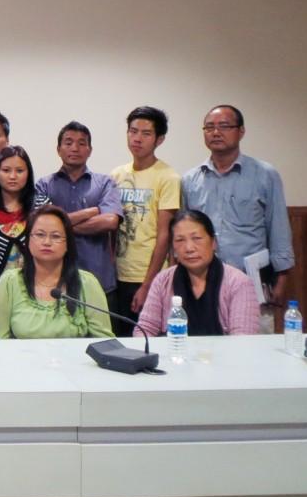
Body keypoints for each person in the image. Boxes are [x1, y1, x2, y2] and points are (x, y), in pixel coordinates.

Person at [180, 105, 294, 318]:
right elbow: (183, 234)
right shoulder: (190, 180)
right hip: (201, 280)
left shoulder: (265, 175)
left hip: (251, 280)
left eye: (224, 126)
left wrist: (282, 277)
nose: (215, 133)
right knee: (206, 346)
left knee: (253, 344)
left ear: (241, 131)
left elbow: (278, 227)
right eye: (209, 127)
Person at [0, 205, 114, 340]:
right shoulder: (10, 282)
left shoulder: (87, 283)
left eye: (56, 236)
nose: (47, 242)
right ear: (28, 241)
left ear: (67, 245)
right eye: (40, 235)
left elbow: (104, 342)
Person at [35, 122, 123, 311]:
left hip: (101, 282)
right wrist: (91, 211)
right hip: (57, 284)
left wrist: (59, 226)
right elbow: (40, 226)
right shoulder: (44, 185)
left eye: (82, 143)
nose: (75, 148)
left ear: (90, 150)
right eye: (68, 142)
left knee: (105, 339)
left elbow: (110, 221)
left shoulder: (105, 183)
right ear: (58, 149)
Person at [110, 106, 180, 336]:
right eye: (133, 131)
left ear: (159, 139)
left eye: (146, 133)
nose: (137, 138)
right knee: (120, 339)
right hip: (118, 275)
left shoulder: (168, 177)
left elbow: (164, 235)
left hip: (148, 276)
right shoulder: (117, 175)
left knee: (148, 341)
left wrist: (148, 285)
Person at [135, 209, 260, 337]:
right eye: (180, 240)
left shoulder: (238, 282)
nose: (189, 248)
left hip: (225, 356)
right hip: (175, 354)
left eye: (197, 238)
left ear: (213, 243)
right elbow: (145, 330)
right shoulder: (163, 280)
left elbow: (243, 341)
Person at [0, 145, 50, 324]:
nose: (13, 176)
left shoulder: (42, 206)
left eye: (20, 170)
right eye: (6, 170)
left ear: (28, 173)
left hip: (37, 294)